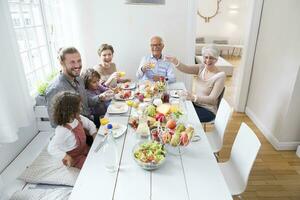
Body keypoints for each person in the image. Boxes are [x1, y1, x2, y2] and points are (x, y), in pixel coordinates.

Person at [45, 47, 109, 127]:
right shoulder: (55, 89)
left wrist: (100, 98)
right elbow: (55, 123)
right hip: (76, 134)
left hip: (90, 122)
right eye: (72, 62)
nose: (77, 65)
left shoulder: (79, 79)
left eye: (79, 61)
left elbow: (85, 101)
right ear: (61, 63)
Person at [165, 45, 225, 122]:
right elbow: (186, 69)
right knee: (174, 109)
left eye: (211, 58)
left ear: (216, 59)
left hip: (208, 110)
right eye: (206, 57)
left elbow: (212, 99)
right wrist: (175, 61)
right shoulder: (201, 68)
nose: (208, 60)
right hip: (196, 104)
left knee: (180, 116)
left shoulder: (220, 76)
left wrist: (193, 97)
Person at [47, 91, 97, 169]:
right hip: (75, 158)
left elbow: (90, 124)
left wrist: (94, 135)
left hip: (84, 149)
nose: (81, 108)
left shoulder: (77, 118)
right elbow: (51, 148)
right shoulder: (62, 130)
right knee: (93, 166)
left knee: (100, 156)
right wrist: (65, 156)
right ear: (70, 110)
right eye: (79, 107)